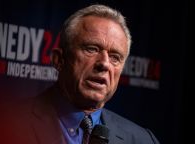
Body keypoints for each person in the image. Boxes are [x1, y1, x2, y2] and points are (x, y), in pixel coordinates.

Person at [22, 4, 160, 144]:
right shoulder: (8, 122)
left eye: (115, 57)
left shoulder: (142, 140)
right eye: (92, 49)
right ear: (59, 60)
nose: (104, 64)